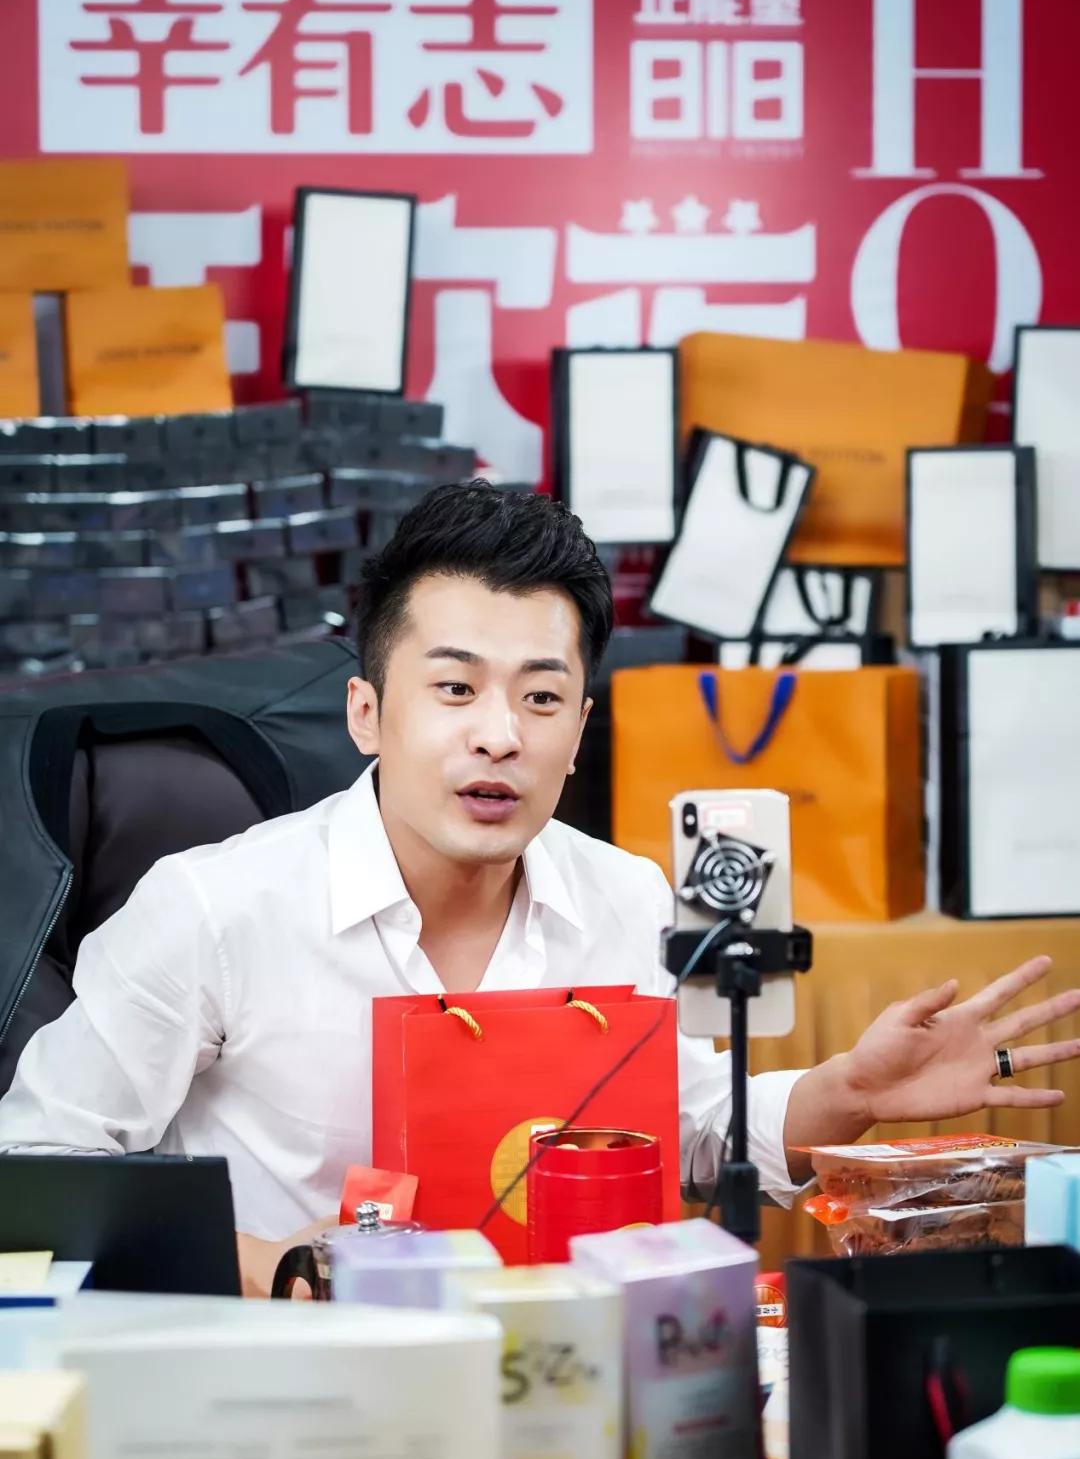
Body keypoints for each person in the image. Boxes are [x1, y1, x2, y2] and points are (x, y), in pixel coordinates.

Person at [1, 481, 1077, 1296]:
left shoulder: (625, 896)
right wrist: (281, 1268)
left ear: (580, 730)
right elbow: (37, 1169)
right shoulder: (213, 908)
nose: (500, 735)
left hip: (558, 1371)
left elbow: (687, 1129)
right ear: (368, 714)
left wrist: (850, 1092)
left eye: (543, 698)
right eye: (455, 688)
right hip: (301, 1384)